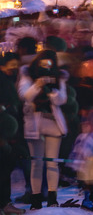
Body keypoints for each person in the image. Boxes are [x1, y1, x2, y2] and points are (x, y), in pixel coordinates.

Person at [17, 50, 69, 209]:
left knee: (52, 162)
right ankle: (36, 199)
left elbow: (62, 99)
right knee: (36, 163)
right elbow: (25, 95)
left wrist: (52, 91)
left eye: (49, 64)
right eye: (43, 63)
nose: (46, 67)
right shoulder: (27, 74)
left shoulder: (59, 77)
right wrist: (38, 85)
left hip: (53, 121)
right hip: (34, 122)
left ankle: (53, 198)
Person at [0, 53, 25, 215]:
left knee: (5, 169)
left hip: (9, 132)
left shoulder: (9, 80)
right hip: (3, 133)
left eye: (17, 64)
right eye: (11, 64)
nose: (14, 67)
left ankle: (4, 203)